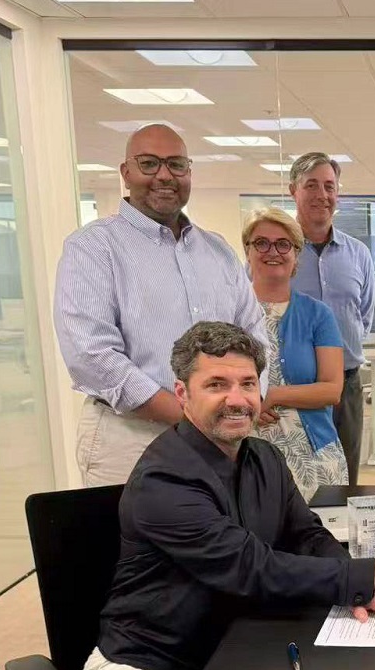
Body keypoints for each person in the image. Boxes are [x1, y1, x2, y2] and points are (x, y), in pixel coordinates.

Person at [76, 321, 375, 670]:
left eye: (247, 383)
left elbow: (306, 535)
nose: (237, 399)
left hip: (242, 652)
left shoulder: (264, 458)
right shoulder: (164, 479)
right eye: (217, 384)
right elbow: (253, 569)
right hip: (150, 665)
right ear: (182, 393)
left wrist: (360, 589)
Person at [54, 123, 266, 487]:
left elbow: (254, 336)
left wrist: (241, 403)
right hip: (132, 436)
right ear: (126, 173)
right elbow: (91, 355)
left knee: (221, 524)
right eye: (149, 163)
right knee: (134, 527)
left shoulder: (217, 251)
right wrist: (192, 416)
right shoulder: (93, 248)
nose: (164, 176)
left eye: (176, 164)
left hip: (221, 436)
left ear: (188, 172)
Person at [244, 207, 348, 501]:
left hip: (312, 455)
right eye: (261, 243)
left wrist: (272, 395)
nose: (272, 252)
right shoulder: (229, 312)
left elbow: (332, 390)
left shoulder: (318, 315)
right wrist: (253, 402)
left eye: (283, 244)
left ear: (296, 255)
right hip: (244, 452)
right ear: (248, 252)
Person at [289, 152, 375, 486]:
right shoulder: (275, 252)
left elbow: (363, 316)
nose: (322, 195)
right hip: (294, 388)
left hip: (346, 385)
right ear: (293, 190)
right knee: (294, 477)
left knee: (346, 475)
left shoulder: (358, 254)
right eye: (311, 185)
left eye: (329, 186)